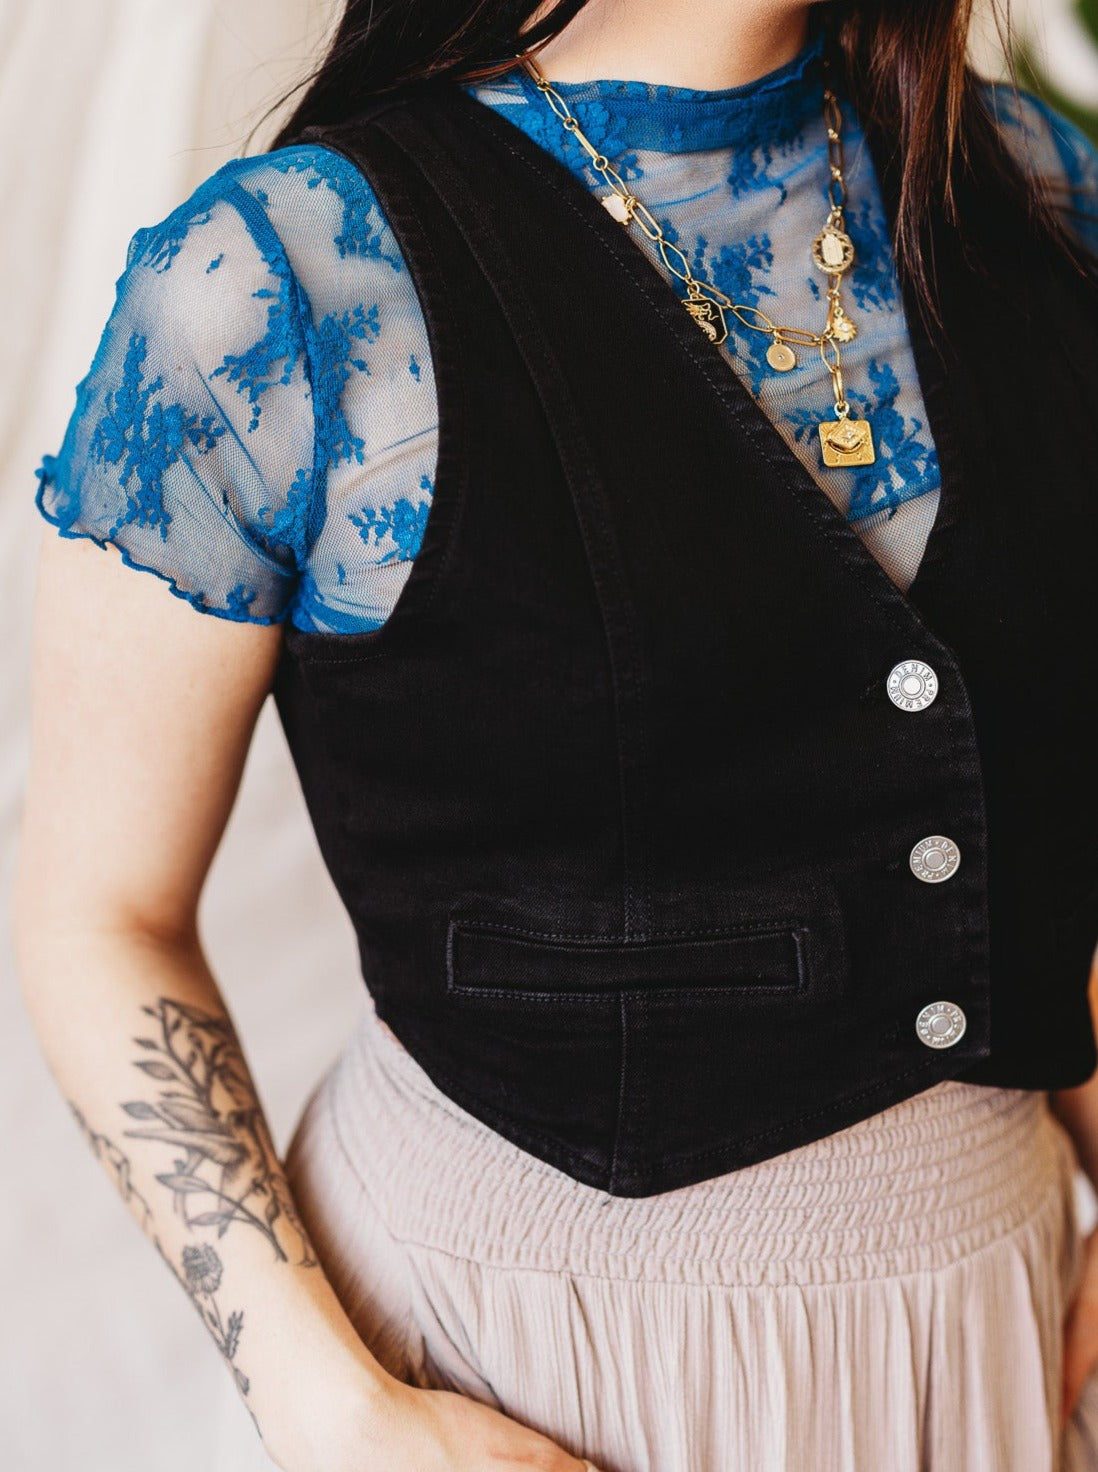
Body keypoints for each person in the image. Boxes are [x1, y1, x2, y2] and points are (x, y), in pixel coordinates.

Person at [13, 0, 1098, 1468]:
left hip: (989, 1329)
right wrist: (328, 1407)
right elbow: (93, 910)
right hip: (522, 1361)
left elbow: (1041, 815)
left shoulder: (1042, 191)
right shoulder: (284, 288)